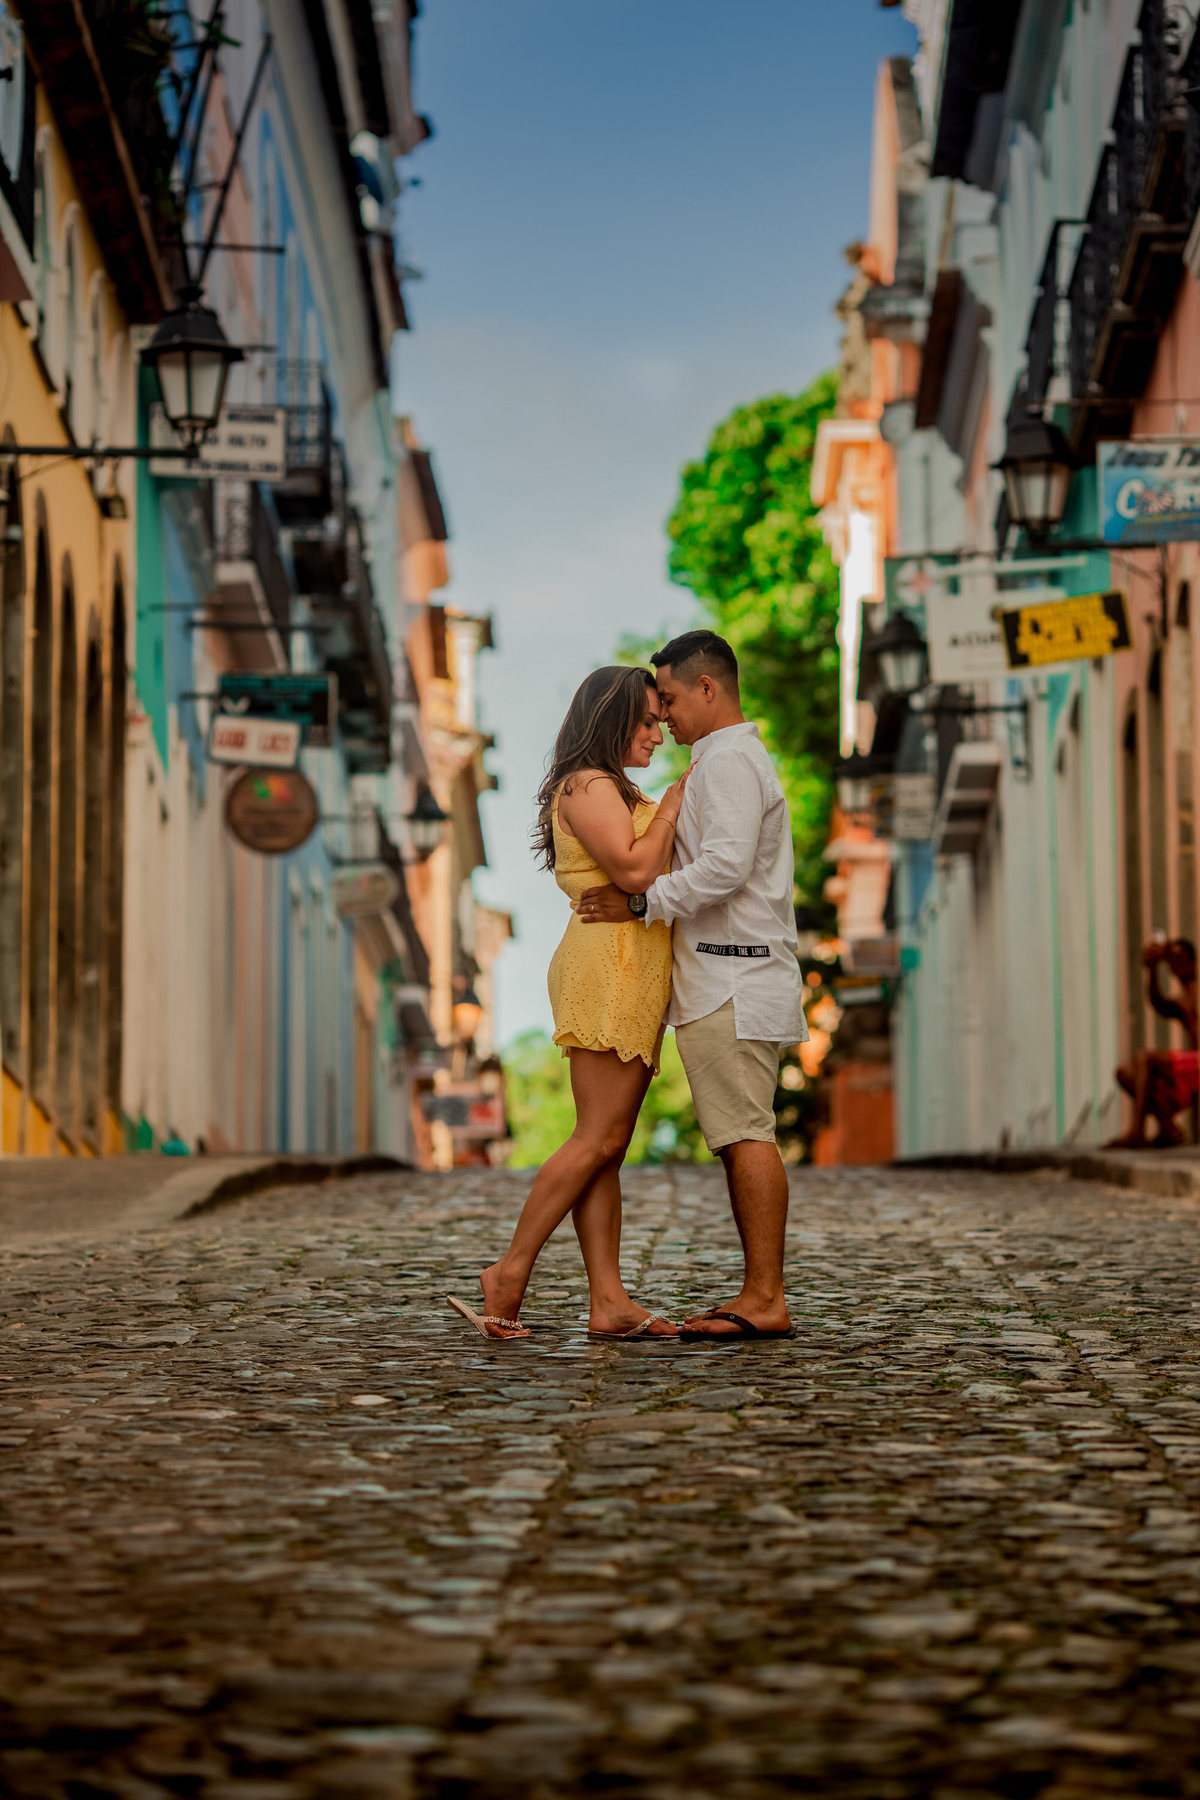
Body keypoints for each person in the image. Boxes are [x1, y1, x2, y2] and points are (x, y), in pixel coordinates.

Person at [578, 630, 808, 1341]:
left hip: (733, 978)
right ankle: (759, 1292)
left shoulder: (729, 762)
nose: (664, 718)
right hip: (729, 976)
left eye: (670, 700)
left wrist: (644, 902)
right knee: (741, 1134)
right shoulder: (720, 762)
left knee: (745, 1134)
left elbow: (726, 868)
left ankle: (764, 1297)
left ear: (707, 689)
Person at [447, 665, 690, 1341]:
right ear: (608, 720)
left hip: (631, 968)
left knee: (609, 1147)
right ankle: (510, 1269)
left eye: (657, 720)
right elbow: (636, 870)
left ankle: (608, 1300)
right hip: (607, 966)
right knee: (597, 1138)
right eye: (644, 719)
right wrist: (673, 802)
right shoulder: (587, 784)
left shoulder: (612, 787)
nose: (656, 730)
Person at [1106, 938, 1199, 1148]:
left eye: (1179, 959)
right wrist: (1153, 970)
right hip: (1192, 1073)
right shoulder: (1183, 1001)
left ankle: (1137, 1131)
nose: (1175, 965)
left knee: (1144, 1058)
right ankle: (1167, 1128)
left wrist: (1166, 951)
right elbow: (1159, 1003)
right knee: (1126, 1073)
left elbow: (1177, 954)